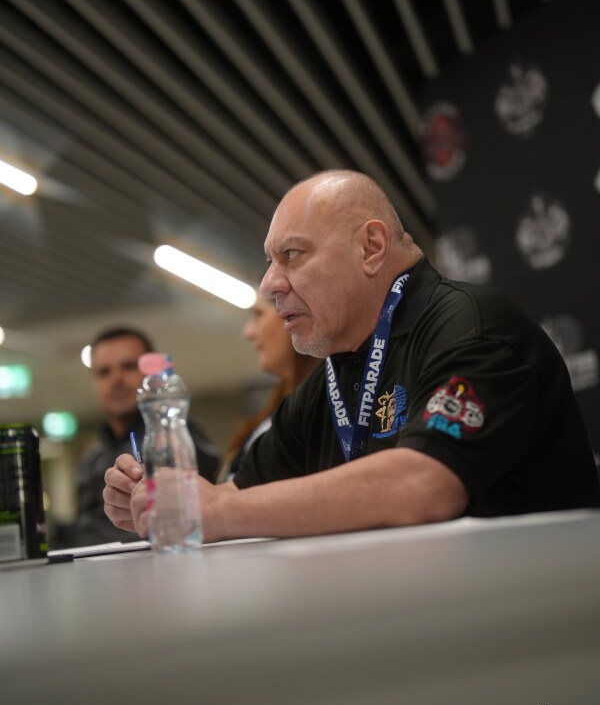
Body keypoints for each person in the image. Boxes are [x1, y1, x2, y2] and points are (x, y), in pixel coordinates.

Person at [103, 171, 599, 542]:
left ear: (371, 247)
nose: (270, 283)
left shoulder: (474, 327)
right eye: (269, 261)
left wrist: (212, 511)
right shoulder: (333, 376)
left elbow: (425, 484)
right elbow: (238, 494)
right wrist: (159, 500)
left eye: (292, 255)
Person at [73, 326, 219, 546]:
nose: (116, 379)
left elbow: (190, 518)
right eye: (104, 372)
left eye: (128, 366)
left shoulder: (175, 434)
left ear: (151, 371)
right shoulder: (91, 460)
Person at [221, 295, 318, 480]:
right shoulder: (281, 407)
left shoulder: (325, 409)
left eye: (259, 314)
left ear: (293, 317)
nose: (248, 332)